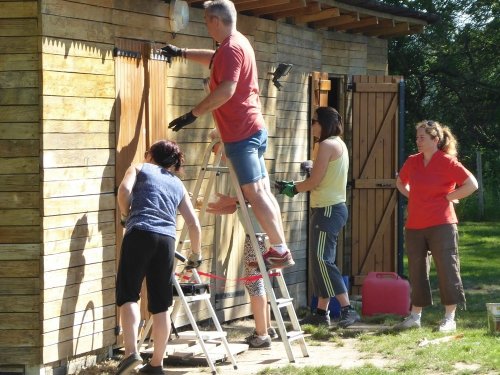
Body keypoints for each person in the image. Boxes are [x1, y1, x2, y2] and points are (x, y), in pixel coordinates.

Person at [159, 0, 294, 269]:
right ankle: (279, 245)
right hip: (252, 128)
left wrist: (192, 114)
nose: (205, 25)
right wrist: (181, 52)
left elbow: (227, 90)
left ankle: (279, 249)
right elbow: (214, 60)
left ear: (215, 21)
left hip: (241, 133)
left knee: (254, 193)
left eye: (207, 20)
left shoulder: (231, 48)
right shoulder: (235, 43)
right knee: (263, 191)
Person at [115, 140, 202, 375]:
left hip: (140, 233)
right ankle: (156, 364)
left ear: (151, 155)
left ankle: (131, 352)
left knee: (128, 295)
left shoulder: (140, 168)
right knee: (161, 304)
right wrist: (196, 255)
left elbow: (123, 191)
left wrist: (126, 214)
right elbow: (194, 224)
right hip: (166, 242)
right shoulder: (178, 184)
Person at [275, 106, 361, 328]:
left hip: (328, 209)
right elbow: (323, 174)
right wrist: (309, 170)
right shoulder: (337, 144)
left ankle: (347, 309)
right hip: (330, 208)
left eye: (314, 121)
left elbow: (314, 183)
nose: (311, 125)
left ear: (324, 123)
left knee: (323, 261)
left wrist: (292, 188)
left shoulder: (325, 144)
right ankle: (321, 313)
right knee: (319, 261)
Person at [394, 120, 478, 332]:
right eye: (417, 137)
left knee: (447, 269)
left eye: (422, 137)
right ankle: (415, 316)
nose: (418, 141)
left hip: (442, 224)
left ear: (435, 139)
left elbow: (472, 185)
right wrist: (413, 195)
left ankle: (450, 318)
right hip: (414, 225)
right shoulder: (412, 161)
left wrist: (450, 196)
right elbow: (400, 183)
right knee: (416, 270)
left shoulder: (447, 162)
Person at [206, 193, 278, 348]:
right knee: (260, 284)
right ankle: (266, 328)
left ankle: (262, 335)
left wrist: (229, 199)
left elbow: (250, 198)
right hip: (260, 238)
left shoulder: (249, 186)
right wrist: (210, 207)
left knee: (255, 285)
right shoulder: (251, 185)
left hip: (256, 239)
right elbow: (234, 207)